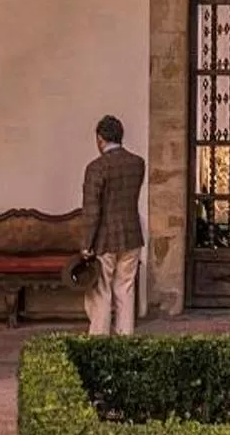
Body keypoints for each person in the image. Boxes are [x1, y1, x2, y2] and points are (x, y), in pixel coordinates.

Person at [79, 114, 146, 335]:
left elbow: (92, 210)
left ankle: (99, 342)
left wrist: (86, 245)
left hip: (104, 239)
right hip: (132, 235)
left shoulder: (96, 168)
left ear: (100, 139)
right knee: (125, 289)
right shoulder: (137, 164)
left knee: (101, 292)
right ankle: (125, 341)